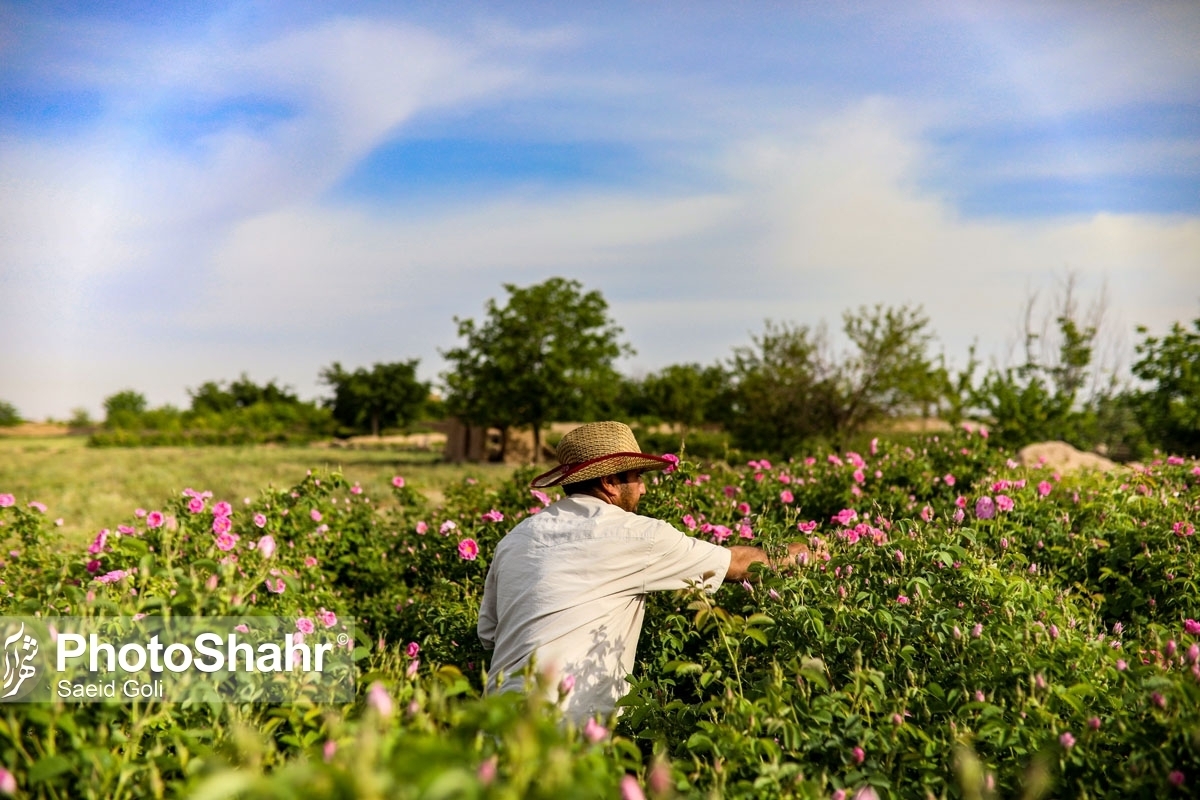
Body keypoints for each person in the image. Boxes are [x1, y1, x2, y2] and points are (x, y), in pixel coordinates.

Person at [477, 420, 812, 725]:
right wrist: (803, 553)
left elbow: (490, 635)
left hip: (496, 722)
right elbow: (736, 565)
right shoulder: (635, 535)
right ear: (609, 482)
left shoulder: (516, 537)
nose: (643, 489)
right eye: (637, 477)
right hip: (564, 727)